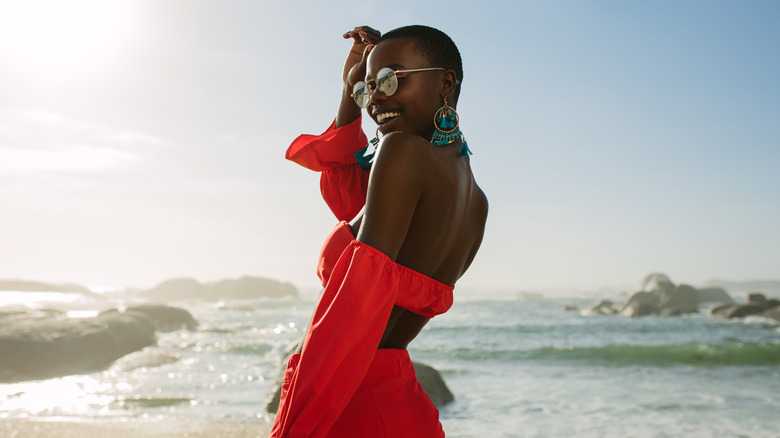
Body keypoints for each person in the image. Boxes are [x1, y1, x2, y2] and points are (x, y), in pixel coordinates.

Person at [270, 24, 488, 438]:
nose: (375, 100)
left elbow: (353, 311)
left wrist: (294, 427)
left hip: (352, 406)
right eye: (368, 89)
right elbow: (350, 199)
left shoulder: (402, 152)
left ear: (445, 83)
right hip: (398, 407)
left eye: (390, 79)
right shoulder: (476, 201)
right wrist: (349, 91)